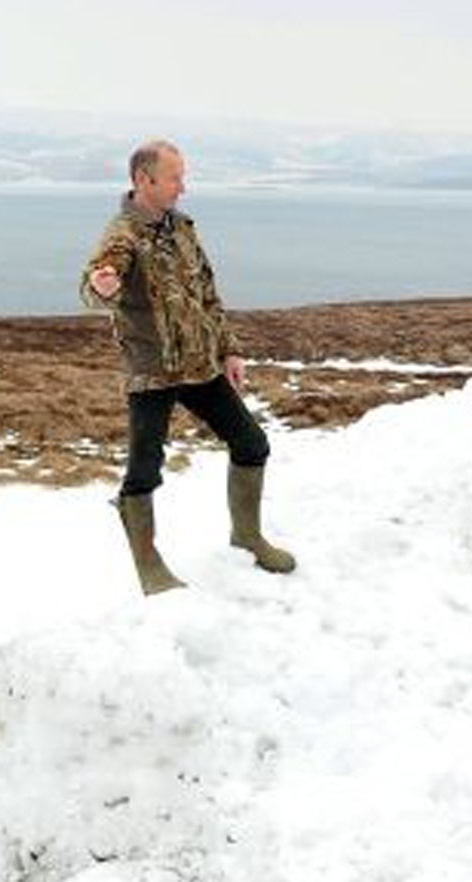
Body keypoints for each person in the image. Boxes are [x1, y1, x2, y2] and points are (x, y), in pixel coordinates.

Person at [81, 140, 293, 596]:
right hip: (152, 372)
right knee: (144, 470)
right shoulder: (122, 234)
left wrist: (229, 350)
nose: (183, 187)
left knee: (251, 443)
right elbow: (98, 280)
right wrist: (102, 285)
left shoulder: (183, 228)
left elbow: (208, 295)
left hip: (201, 366)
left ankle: (247, 535)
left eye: (182, 176)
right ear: (144, 180)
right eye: (175, 178)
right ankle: (149, 565)